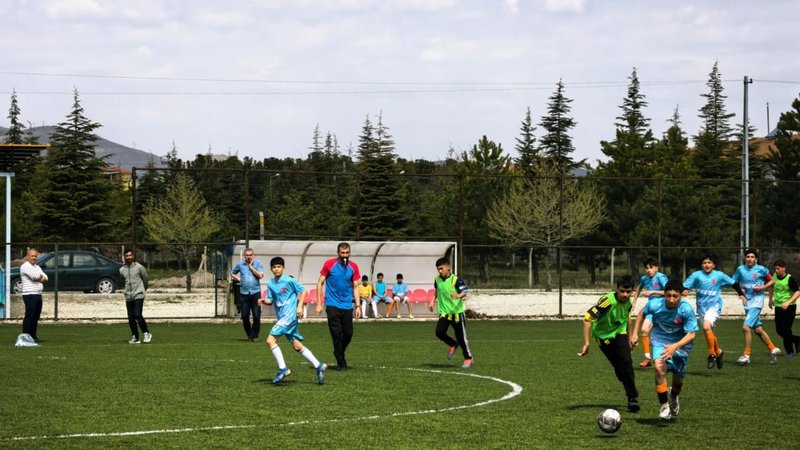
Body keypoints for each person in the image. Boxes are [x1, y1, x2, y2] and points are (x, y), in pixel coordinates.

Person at [631, 280, 697, 420]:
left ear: (681, 296)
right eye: (668, 295)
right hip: (660, 341)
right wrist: (635, 333)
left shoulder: (686, 309)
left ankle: (673, 396)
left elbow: (691, 334)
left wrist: (675, 346)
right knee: (659, 367)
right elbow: (642, 313)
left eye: (675, 296)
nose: (671, 299)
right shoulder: (656, 304)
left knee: (678, 383)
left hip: (681, 345)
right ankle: (664, 405)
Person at [578, 275, 639, 413]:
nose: (625, 295)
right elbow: (587, 319)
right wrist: (587, 343)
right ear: (617, 290)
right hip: (603, 337)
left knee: (627, 362)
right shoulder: (607, 302)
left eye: (628, 292)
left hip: (619, 333)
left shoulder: (629, 302)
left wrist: (630, 338)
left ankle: (632, 398)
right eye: (622, 291)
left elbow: (628, 318)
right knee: (619, 369)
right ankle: (625, 379)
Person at [262, 257, 327, 384]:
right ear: (271, 269)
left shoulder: (289, 280)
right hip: (282, 317)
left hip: (289, 317)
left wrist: (299, 306)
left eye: (279, 266)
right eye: (274, 267)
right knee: (297, 345)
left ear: (283, 268)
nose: (276, 269)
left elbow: (304, 291)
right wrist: (265, 301)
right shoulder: (270, 283)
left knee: (270, 340)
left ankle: (283, 369)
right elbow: (270, 299)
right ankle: (318, 365)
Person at [682, 254, 743, 369]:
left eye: (709, 263)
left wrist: (741, 294)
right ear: (701, 265)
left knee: (706, 327)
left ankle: (712, 355)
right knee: (709, 331)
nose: (707, 265)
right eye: (704, 263)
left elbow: (734, 283)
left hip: (714, 306)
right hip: (701, 308)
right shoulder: (696, 275)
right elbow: (685, 286)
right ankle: (719, 352)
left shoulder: (719, 275)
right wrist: (684, 290)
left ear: (713, 265)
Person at [316, 242, 360, 371]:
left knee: (348, 334)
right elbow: (320, 283)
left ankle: (338, 351)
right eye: (342, 253)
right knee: (336, 334)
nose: (345, 255)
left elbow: (356, 286)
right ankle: (341, 362)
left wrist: (358, 306)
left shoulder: (353, 267)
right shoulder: (329, 264)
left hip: (347, 305)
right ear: (338, 253)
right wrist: (319, 303)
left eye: (347, 253)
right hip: (332, 304)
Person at [732, 248, 780, 365]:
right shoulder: (740, 269)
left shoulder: (761, 269)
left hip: (757, 302)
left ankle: (746, 355)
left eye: (752, 257)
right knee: (758, 330)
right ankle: (773, 349)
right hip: (747, 303)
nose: (750, 259)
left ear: (756, 259)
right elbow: (733, 282)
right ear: (745, 258)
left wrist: (762, 288)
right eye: (748, 257)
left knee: (746, 327)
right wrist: (740, 293)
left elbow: (772, 281)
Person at [428, 257, 473, 369]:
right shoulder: (437, 279)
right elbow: (437, 290)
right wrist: (432, 301)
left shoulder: (455, 280)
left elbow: (465, 291)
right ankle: (453, 344)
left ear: (448, 267)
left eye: (441, 268)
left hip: (457, 313)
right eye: (438, 269)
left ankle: (468, 358)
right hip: (445, 313)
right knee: (439, 332)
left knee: (461, 337)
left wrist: (458, 295)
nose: (440, 271)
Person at [631, 257, 668, 368]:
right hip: (652, 308)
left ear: (656, 268)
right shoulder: (644, 278)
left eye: (651, 267)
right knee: (644, 331)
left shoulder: (661, 277)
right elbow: (639, 288)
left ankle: (668, 356)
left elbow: (668, 291)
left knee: (665, 334)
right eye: (647, 268)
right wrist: (634, 301)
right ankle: (647, 358)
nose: (649, 270)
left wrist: (652, 291)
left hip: (663, 309)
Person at [231, 248, 265, 342]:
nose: (249, 257)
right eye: (247, 255)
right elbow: (232, 273)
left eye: (250, 255)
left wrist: (251, 267)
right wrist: (238, 278)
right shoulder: (240, 265)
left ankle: (255, 335)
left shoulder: (258, 264)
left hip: (255, 293)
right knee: (245, 316)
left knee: (256, 315)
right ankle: (250, 334)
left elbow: (260, 276)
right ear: (244, 256)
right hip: (244, 294)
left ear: (253, 255)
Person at [768, 260, 800, 358]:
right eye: (775, 269)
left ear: (784, 268)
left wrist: (788, 302)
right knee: (779, 331)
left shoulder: (790, 279)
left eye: (778, 268)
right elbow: (771, 286)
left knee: (786, 330)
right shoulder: (774, 276)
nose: (776, 270)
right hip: (778, 307)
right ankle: (797, 340)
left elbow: (797, 292)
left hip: (789, 307)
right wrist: (770, 299)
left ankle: (789, 351)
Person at [120, 249, 152, 344]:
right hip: (128, 296)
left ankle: (146, 333)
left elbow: (145, 279)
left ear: (133, 256)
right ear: (124, 257)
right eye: (127, 256)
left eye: (130, 255)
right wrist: (126, 292)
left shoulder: (139, 267)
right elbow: (123, 282)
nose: (128, 257)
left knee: (138, 314)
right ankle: (135, 337)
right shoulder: (122, 270)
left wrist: (142, 291)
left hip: (138, 295)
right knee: (131, 317)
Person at [20, 248, 48, 344]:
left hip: (37, 294)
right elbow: (34, 276)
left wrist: (40, 277)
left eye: (35, 256)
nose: (34, 258)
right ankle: (25, 337)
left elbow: (46, 277)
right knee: (30, 316)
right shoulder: (25, 266)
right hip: (30, 294)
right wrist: (40, 277)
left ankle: (33, 336)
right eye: (32, 256)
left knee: (35, 317)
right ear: (28, 256)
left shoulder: (37, 267)